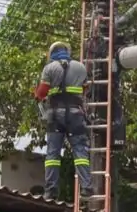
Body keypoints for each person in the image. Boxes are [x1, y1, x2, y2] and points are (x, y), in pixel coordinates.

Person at [34, 41, 94, 201]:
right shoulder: (80, 67)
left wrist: (37, 95)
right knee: (80, 151)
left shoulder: (49, 68)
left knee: (53, 154)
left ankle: (51, 191)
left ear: (52, 53)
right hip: (75, 114)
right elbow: (86, 88)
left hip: (55, 116)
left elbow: (42, 92)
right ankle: (86, 188)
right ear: (67, 51)